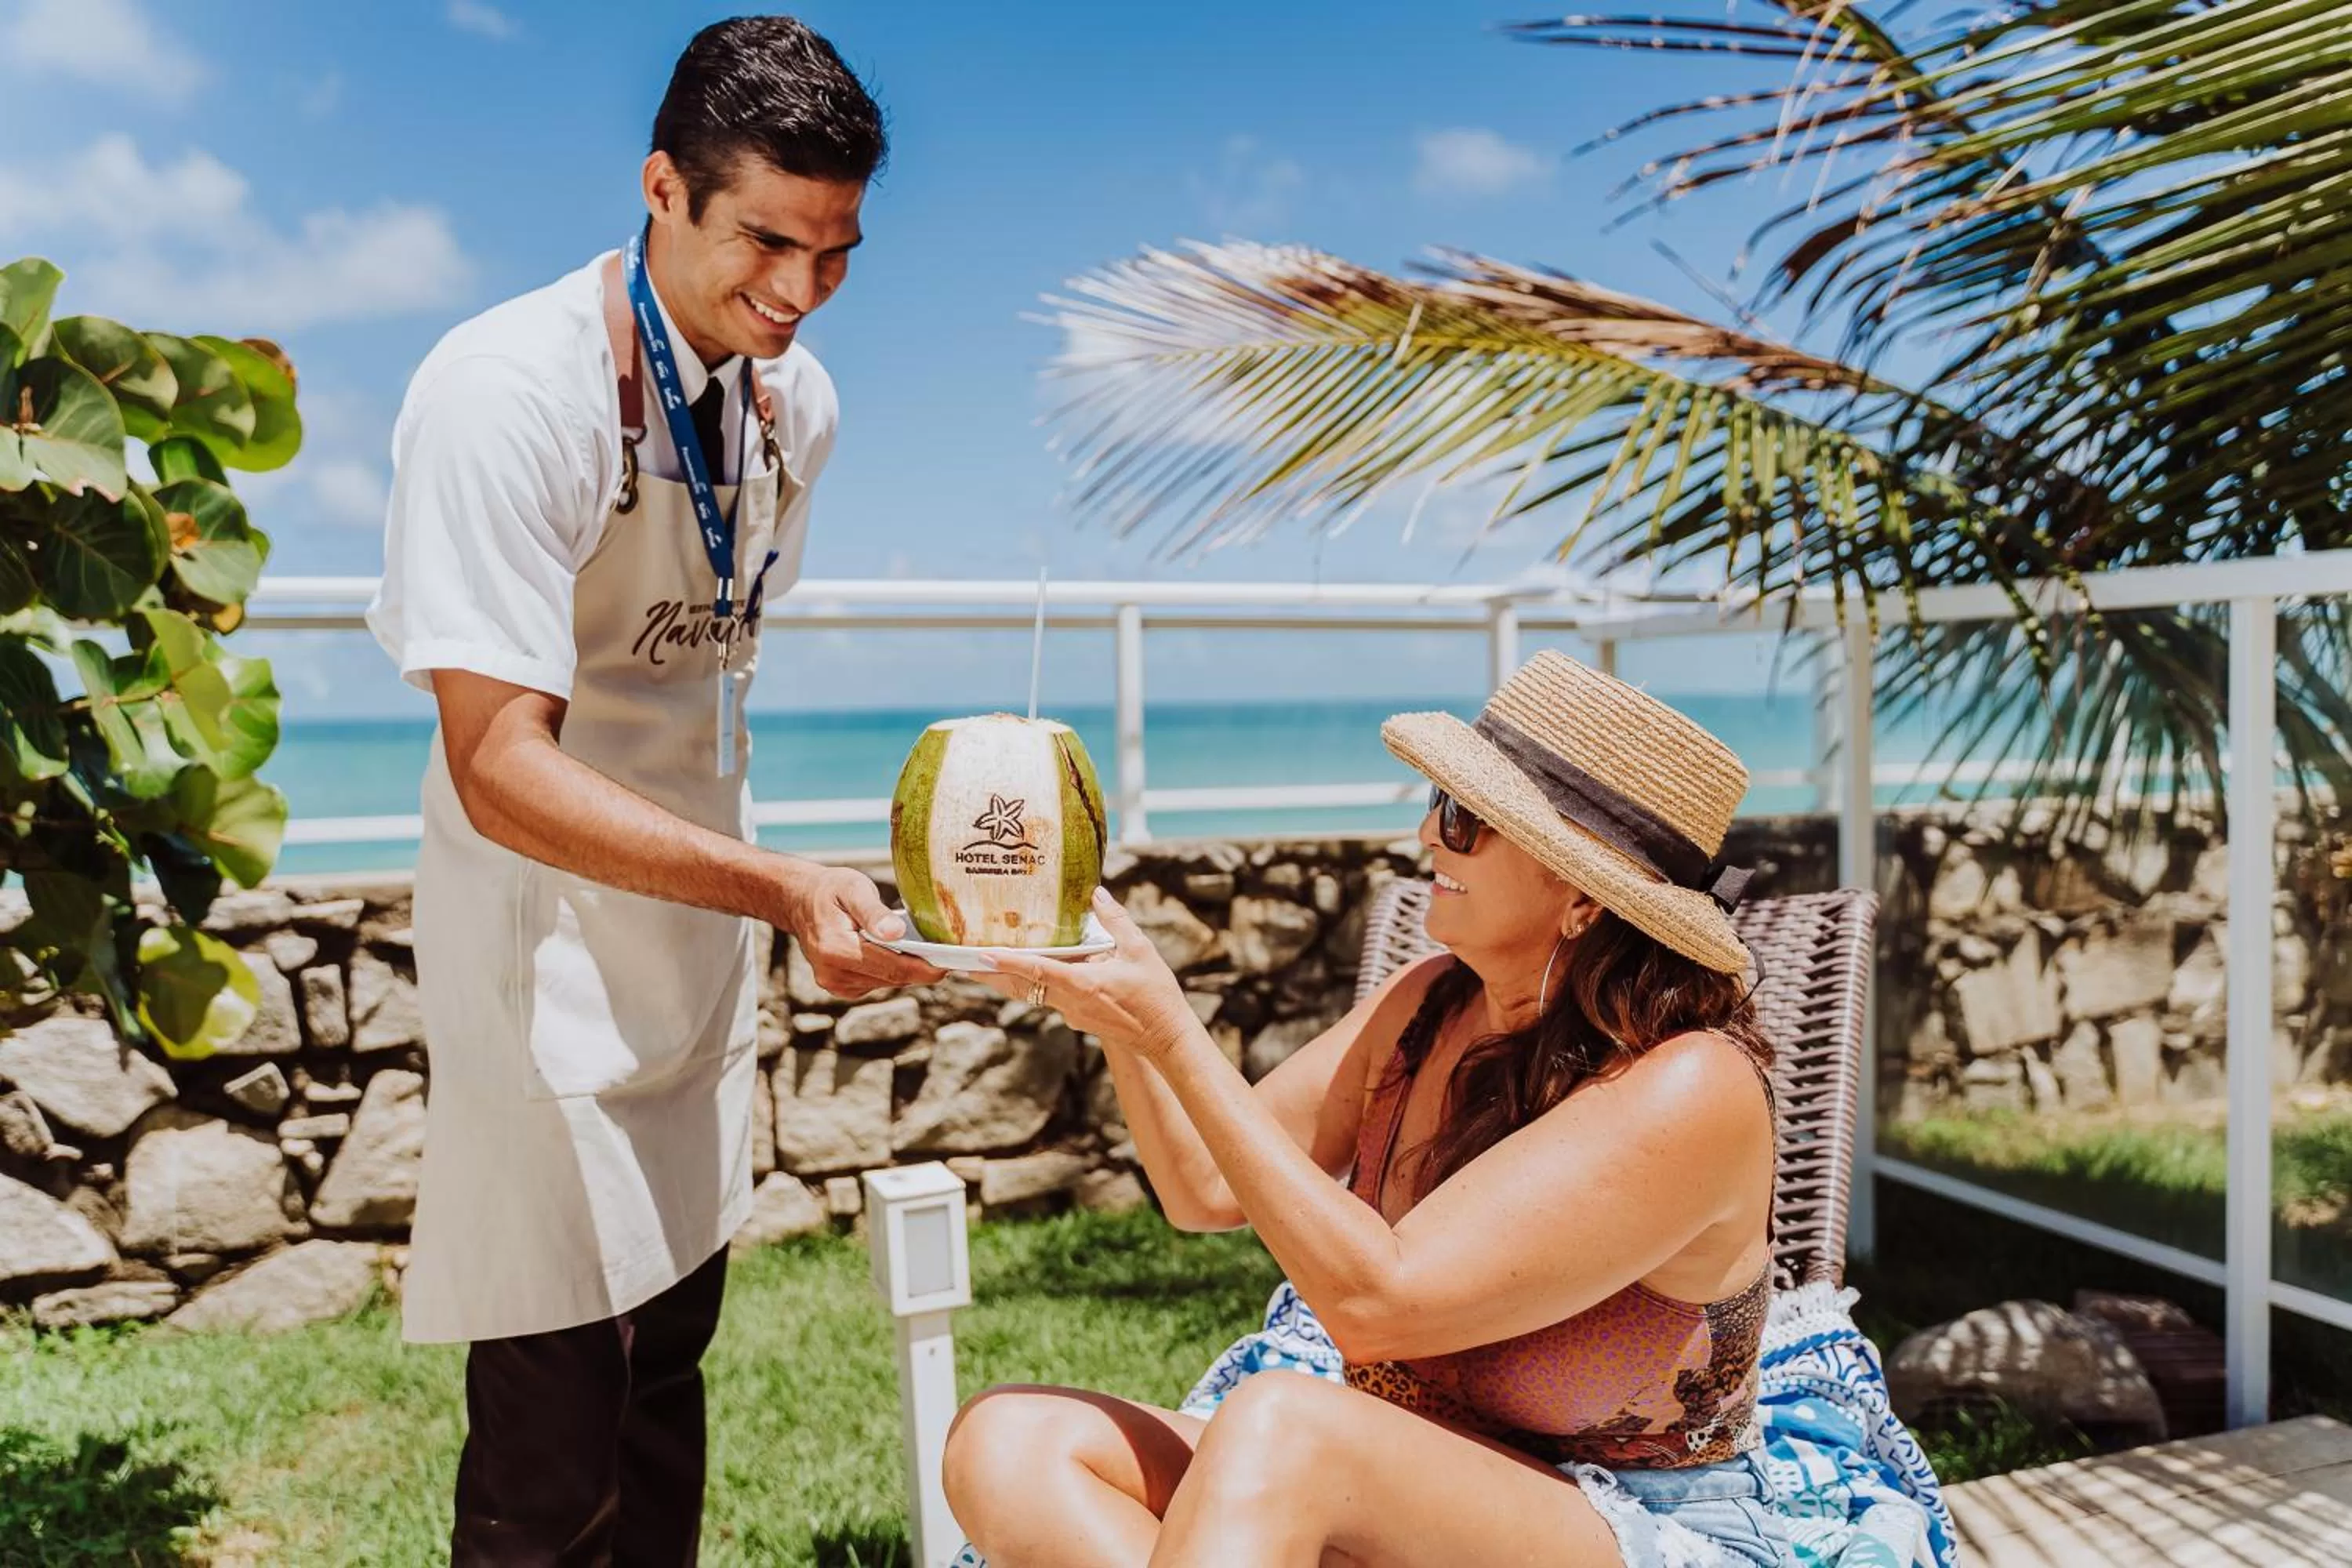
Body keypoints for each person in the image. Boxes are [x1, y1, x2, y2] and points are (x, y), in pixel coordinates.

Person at [367, 18, 938, 1564]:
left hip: (690, 958)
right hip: (546, 957)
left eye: (837, 254)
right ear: (662, 187)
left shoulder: (790, 407)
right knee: (553, 1444)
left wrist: (764, 898)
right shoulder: (506, 389)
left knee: (664, 1392)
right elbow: (499, 764)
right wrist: (783, 888)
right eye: (768, 239)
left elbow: (703, 666)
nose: (803, 292)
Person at [942, 650, 1795, 1567]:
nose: (1429, 833)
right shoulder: (1432, 1004)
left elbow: (1376, 1302)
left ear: (1583, 893)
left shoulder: (1689, 1085)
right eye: (1438, 802)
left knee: (1283, 1426)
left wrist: (1174, 1030)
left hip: (1632, 1522)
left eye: (1466, 818)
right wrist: (1113, 1001)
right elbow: (1199, 1188)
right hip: (1399, 1499)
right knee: (1010, 1440)